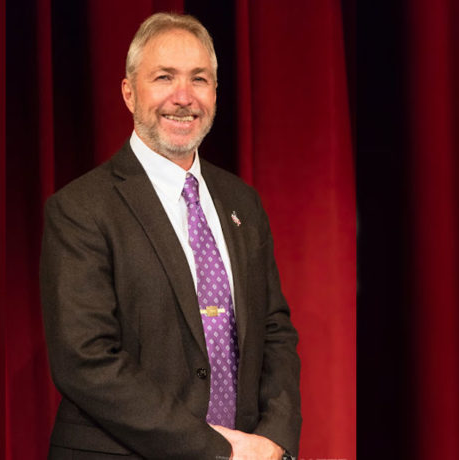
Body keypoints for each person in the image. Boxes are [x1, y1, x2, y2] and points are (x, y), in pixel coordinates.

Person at [40, 12, 301, 460]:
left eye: (199, 79)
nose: (183, 97)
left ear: (215, 93)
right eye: (164, 77)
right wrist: (215, 449)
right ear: (129, 93)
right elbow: (85, 359)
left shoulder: (243, 202)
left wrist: (274, 439)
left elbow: (274, 330)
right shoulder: (80, 208)